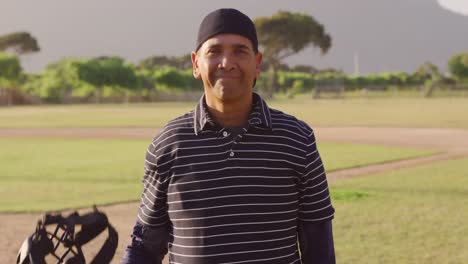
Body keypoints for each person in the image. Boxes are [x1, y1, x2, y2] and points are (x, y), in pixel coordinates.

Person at [122, 8, 335, 264]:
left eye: (239, 51)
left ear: (257, 64)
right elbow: (145, 245)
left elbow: (318, 245)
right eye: (214, 51)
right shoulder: (169, 143)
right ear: (195, 64)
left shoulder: (296, 138)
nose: (227, 62)